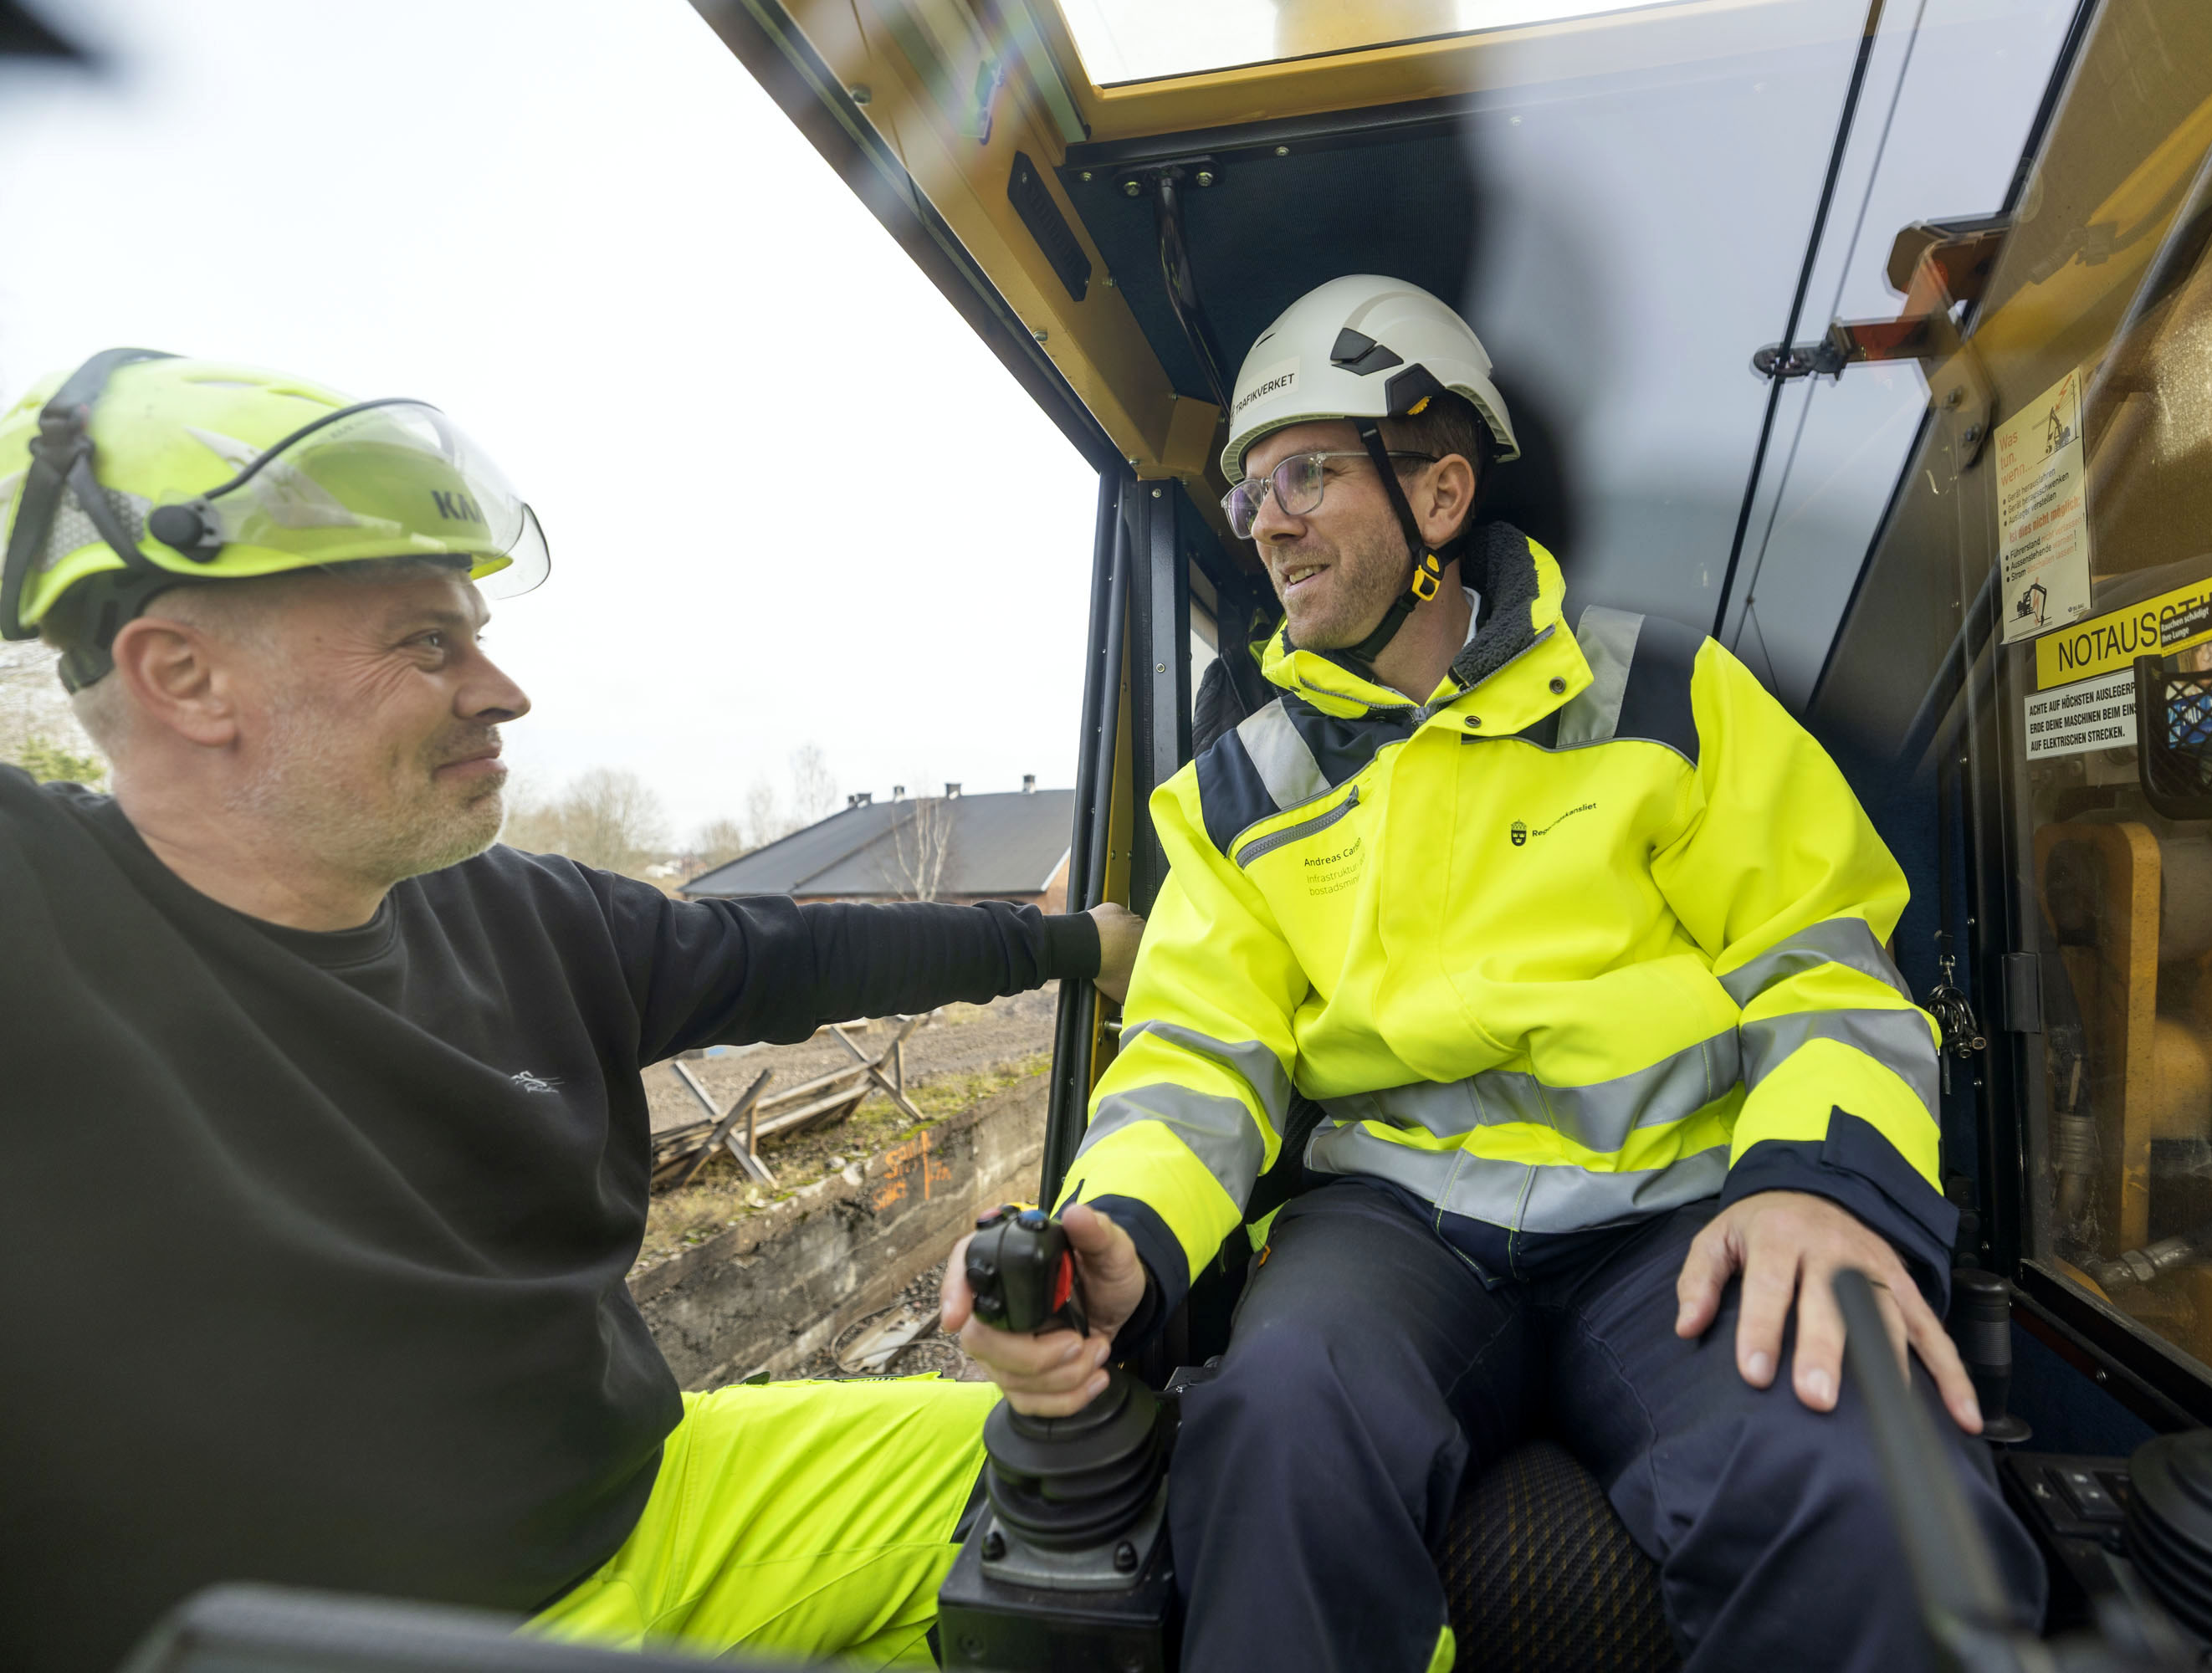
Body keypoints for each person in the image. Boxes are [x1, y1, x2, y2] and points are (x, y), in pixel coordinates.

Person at [946, 276, 2046, 1671]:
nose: (1265, 520)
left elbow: (1824, 975)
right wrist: (1123, 1228)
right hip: (1394, 1234)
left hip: (1677, 1217)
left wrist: (1819, 1189)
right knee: (1273, 1423)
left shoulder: (1671, 699)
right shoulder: (1234, 799)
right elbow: (1195, 1060)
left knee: (1862, 1479)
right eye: (1249, 492)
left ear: (1441, 493)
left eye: (1305, 474)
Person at [0, 350, 1141, 1672]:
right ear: (186, 679)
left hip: (651, 1507)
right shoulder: (39, 916)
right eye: (427, 641)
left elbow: (801, 955)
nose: (504, 690)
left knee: (1142, 1488)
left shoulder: (527, 915)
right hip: (328, 1643)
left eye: (476, 635)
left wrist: (1075, 942)